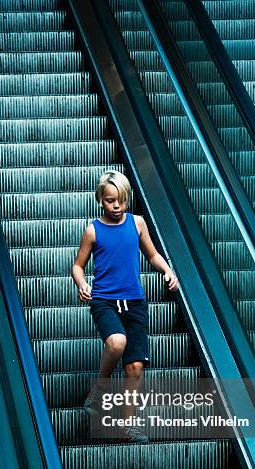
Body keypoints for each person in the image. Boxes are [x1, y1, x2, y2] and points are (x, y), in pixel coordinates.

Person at [72, 170, 178, 442]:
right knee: (117, 342)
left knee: (135, 368)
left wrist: (168, 271)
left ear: (127, 199)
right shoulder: (93, 230)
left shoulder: (138, 223)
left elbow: (152, 254)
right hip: (105, 301)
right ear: (100, 200)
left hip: (135, 303)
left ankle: (127, 425)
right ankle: (98, 391)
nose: (116, 206)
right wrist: (82, 284)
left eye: (120, 200)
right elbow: (78, 266)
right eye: (109, 201)